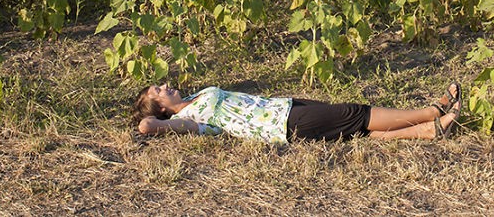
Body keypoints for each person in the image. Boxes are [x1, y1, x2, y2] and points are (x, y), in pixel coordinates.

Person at [132, 81, 462, 144]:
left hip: (284, 106)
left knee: (350, 130)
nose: (165, 86)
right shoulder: (188, 121)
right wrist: (154, 119)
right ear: (160, 107)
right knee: (355, 113)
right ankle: (430, 112)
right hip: (282, 125)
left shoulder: (196, 97)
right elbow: (146, 126)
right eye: (158, 91)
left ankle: (426, 132)